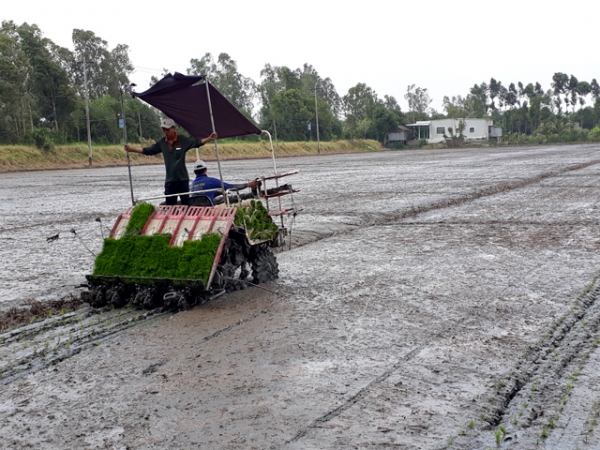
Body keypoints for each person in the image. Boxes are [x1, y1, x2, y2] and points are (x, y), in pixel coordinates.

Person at [125, 118, 218, 205]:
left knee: (186, 205)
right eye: (163, 130)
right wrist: (131, 149)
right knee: (169, 206)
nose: (165, 132)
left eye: (167, 130)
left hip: (182, 180)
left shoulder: (183, 140)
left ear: (173, 128)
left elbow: (197, 143)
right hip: (170, 181)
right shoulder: (162, 143)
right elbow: (148, 150)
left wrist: (209, 138)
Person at [190, 159, 259, 204]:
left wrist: (218, 193)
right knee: (228, 200)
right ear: (206, 170)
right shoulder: (210, 181)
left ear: (194, 172)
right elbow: (230, 187)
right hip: (209, 208)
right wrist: (247, 185)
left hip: (197, 209)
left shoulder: (192, 184)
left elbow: (203, 194)